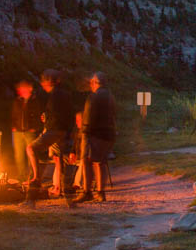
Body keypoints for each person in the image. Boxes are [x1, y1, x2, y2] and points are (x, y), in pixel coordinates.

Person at [27, 69, 76, 198]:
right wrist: (47, 117)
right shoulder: (64, 94)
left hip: (54, 130)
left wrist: (48, 123)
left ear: (49, 81)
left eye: (43, 81)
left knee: (31, 148)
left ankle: (37, 178)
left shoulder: (56, 95)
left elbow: (58, 115)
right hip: (63, 130)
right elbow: (65, 113)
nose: (42, 84)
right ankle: (59, 188)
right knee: (58, 159)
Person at [74, 72, 116, 203]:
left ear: (94, 83)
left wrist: (84, 132)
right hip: (108, 134)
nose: (90, 85)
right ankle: (100, 192)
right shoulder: (111, 97)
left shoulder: (93, 97)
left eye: (91, 82)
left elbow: (88, 117)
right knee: (101, 162)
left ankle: (87, 191)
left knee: (86, 160)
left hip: (93, 134)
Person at [9, 79, 43, 180]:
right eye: (20, 88)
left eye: (23, 87)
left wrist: (35, 128)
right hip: (17, 132)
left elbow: (38, 116)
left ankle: (32, 175)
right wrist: (13, 127)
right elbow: (13, 115)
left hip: (30, 132)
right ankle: (21, 175)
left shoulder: (34, 101)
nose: (20, 89)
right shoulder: (17, 101)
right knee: (19, 155)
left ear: (29, 88)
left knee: (31, 154)